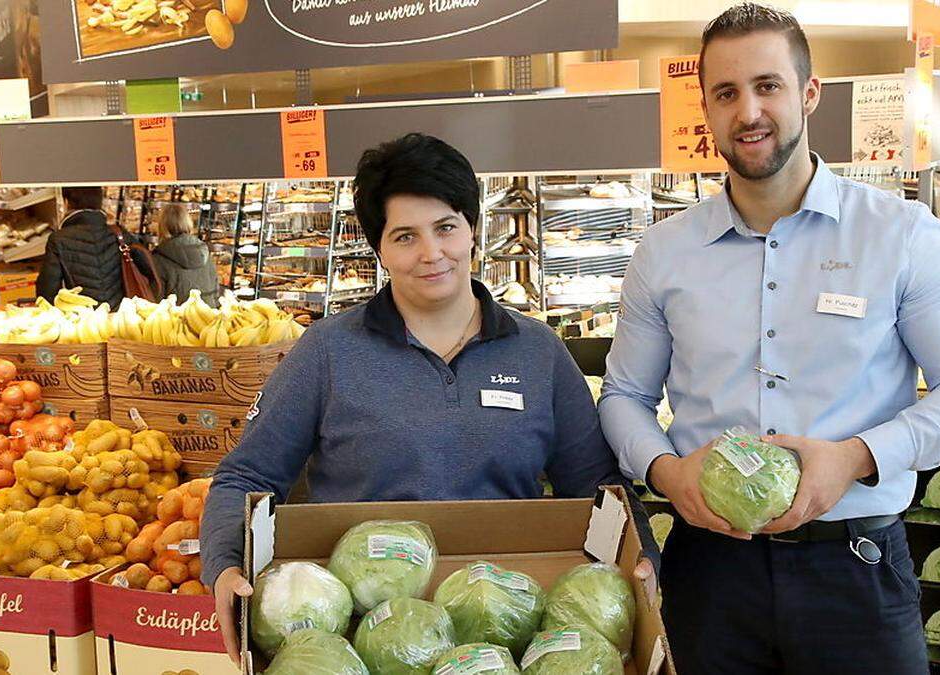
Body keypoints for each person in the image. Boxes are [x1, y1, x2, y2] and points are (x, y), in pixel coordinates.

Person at [599, 4, 940, 674]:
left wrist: (854, 456)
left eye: (768, 86)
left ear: (808, 93)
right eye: (726, 94)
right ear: (705, 108)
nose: (748, 112)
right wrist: (669, 473)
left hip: (857, 567)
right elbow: (622, 397)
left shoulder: (901, 235)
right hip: (710, 570)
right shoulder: (664, 252)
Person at [201, 132, 658, 664]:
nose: (430, 253)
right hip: (363, 641)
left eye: (445, 227)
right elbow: (245, 477)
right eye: (405, 236)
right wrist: (226, 565)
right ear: (379, 249)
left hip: (505, 632)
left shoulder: (538, 352)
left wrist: (639, 551)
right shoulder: (327, 352)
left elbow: (598, 485)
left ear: (471, 230)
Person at [35, 187, 154, 309]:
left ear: (66, 203)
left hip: (83, 319)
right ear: (100, 203)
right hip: (121, 318)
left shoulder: (58, 239)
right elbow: (150, 271)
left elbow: (47, 292)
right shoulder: (120, 234)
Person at [152, 203, 219, 306]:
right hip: (210, 316)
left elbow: (155, 301)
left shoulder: (158, 259)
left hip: (177, 319)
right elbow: (215, 293)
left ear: (162, 226)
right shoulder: (204, 252)